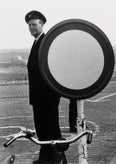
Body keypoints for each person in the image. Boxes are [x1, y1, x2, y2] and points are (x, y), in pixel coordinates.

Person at [24, 10, 66, 163]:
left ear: (41, 25)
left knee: (50, 130)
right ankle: (47, 158)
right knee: (42, 131)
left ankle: (55, 159)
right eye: (29, 25)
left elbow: (53, 67)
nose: (32, 28)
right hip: (38, 97)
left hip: (47, 96)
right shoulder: (36, 43)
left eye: (34, 25)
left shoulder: (46, 42)